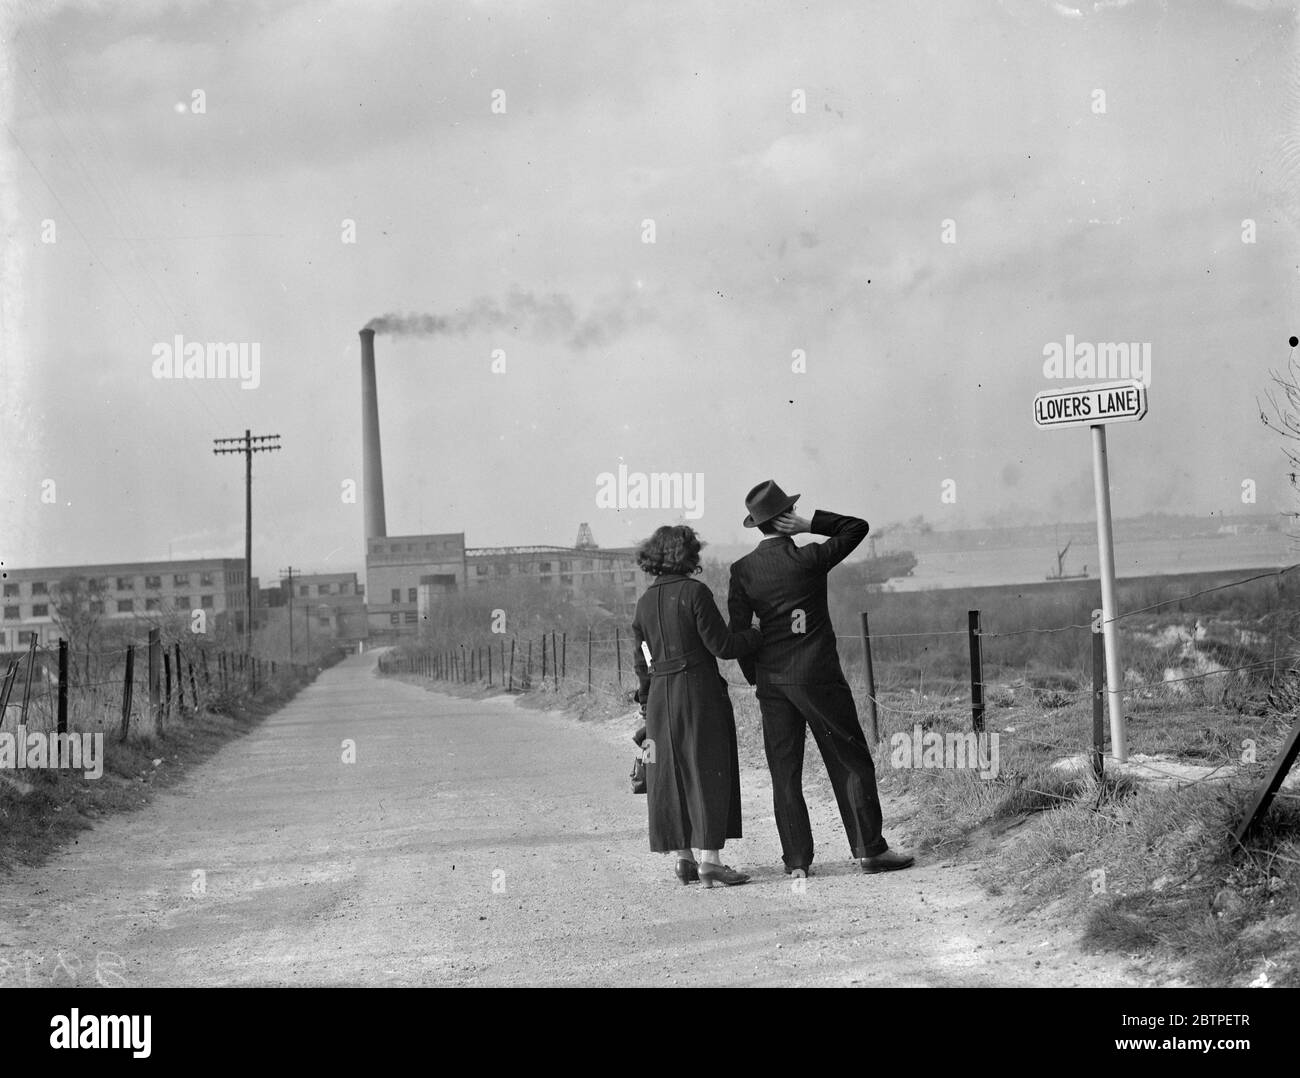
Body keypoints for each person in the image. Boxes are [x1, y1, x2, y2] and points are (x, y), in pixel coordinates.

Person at [727, 480, 913, 878]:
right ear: (786, 518)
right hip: (818, 677)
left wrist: (758, 678)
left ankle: (797, 862)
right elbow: (856, 527)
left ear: (758, 526)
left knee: (784, 772)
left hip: (773, 683)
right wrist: (809, 522)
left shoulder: (742, 571)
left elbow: (740, 634)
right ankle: (870, 850)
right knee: (848, 759)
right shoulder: (809, 558)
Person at [632, 524, 763, 887]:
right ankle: (711, 862)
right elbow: (722, 646)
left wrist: (646, 706)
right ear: (686, 555)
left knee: (670, 774)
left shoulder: (643, 605)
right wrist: (756, 634)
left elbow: (643, 661)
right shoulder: (695, 593)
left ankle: (683, 859)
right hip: (698, 693)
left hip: (660, 697)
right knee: (705, 769)